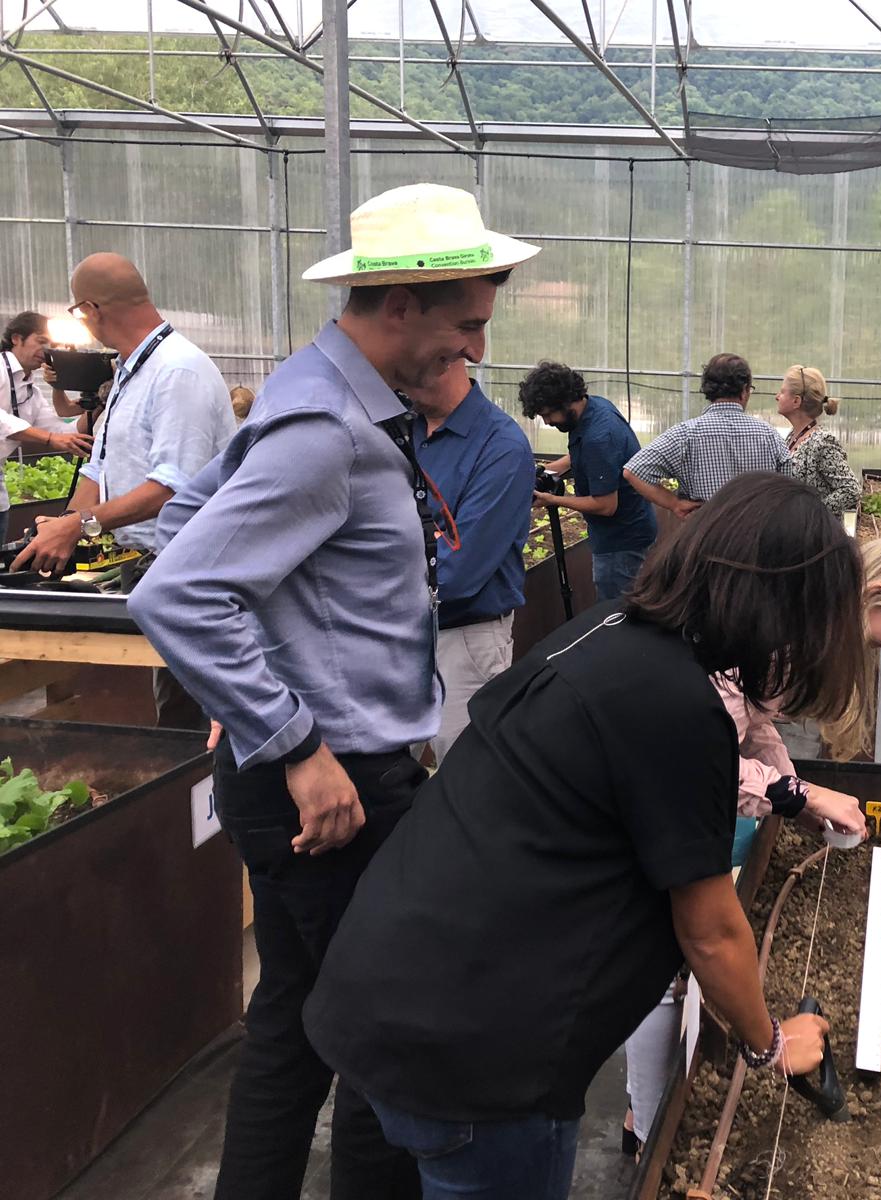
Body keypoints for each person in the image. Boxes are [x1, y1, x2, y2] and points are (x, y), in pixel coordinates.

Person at [128, 183, 538, 1200]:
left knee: (299, 1023)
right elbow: (177, 589)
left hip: (325, 773)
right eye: (465, 325)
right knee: (382, 1033)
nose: (475, 352)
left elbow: (186, 530)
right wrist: (292, 741)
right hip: (334, 786)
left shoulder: (317, 397)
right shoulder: (326, 426)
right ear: (398, 303)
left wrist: (268, 704)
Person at [301, 473, 846, 1200]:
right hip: (477, 1061)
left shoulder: (614, 629)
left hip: (380, 994)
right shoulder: (679, 704)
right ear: (784, 607)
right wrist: (772, 1043)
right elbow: (712, 931)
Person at [619, 533, 881, 1154]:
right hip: (639, 801)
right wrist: (801, 798)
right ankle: (643, 1118)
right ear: (874, 593)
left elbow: (751, 724)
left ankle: (645, 1107)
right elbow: (698, 761)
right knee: (659, 956)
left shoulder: (799, 621)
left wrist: (797, 788)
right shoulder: (785, 633)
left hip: (657, 788)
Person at [13, 256, 233, 581]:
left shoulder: (178, 371)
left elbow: (172, 488)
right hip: (147, 562)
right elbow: (99, 465)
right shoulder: (132, 370)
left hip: (187, 567)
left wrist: (79, 524)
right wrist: (66, 523)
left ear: (91, 309)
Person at [413, 358, 537, 765]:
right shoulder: (400, 429)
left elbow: (458, 570)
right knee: (382, 773)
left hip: (464, 639)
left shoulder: (501, 445)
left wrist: (385, 567)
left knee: (467, 773)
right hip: (399, 634)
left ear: (449, 357)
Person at [519, 360, 657, 599]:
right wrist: (546, 469)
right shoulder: (594, 407)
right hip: (630, 531)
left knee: (616, 617)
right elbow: (578, 454)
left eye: (548, 414)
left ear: (564, 402)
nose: (547, 422)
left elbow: (605, 506)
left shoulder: (598, 437)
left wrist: (553, 500)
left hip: (620, 544)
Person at [623, 353, 790, 521]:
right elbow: (789, 487)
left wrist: (675, 504)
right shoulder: (770, 436)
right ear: (745, 390)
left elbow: (634, 471)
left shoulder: (685, 434)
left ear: (707, 389)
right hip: (757, 534)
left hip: (704, 533)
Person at [1, 312, 93, 519]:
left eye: (51, 344)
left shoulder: (31, 392)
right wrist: (51, 439)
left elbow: (61, 431)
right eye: (41, 341)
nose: (46, 349)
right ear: (16, 339)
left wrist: (98, 403)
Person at [775, 364, 861, 518]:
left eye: (782, 392)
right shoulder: (793, 436)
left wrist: (813, 513)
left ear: (796, 401)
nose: (777, 396)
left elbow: (850, 489)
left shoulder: (822, 442)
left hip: (816, 536)